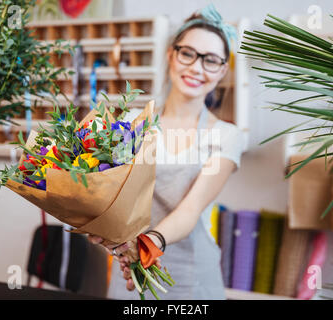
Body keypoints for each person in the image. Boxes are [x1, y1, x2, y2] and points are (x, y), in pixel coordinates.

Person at [89, 4, 243, 300]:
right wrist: (102, 231)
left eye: (211, 60)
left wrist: (148, 245)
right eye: (188, 53)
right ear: (172, 54)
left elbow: (190, 209)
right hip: (129, 274)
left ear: (223, 70)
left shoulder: (226, 136)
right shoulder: (130, 123)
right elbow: (107, 194)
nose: (197, 68)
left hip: (191, 280)